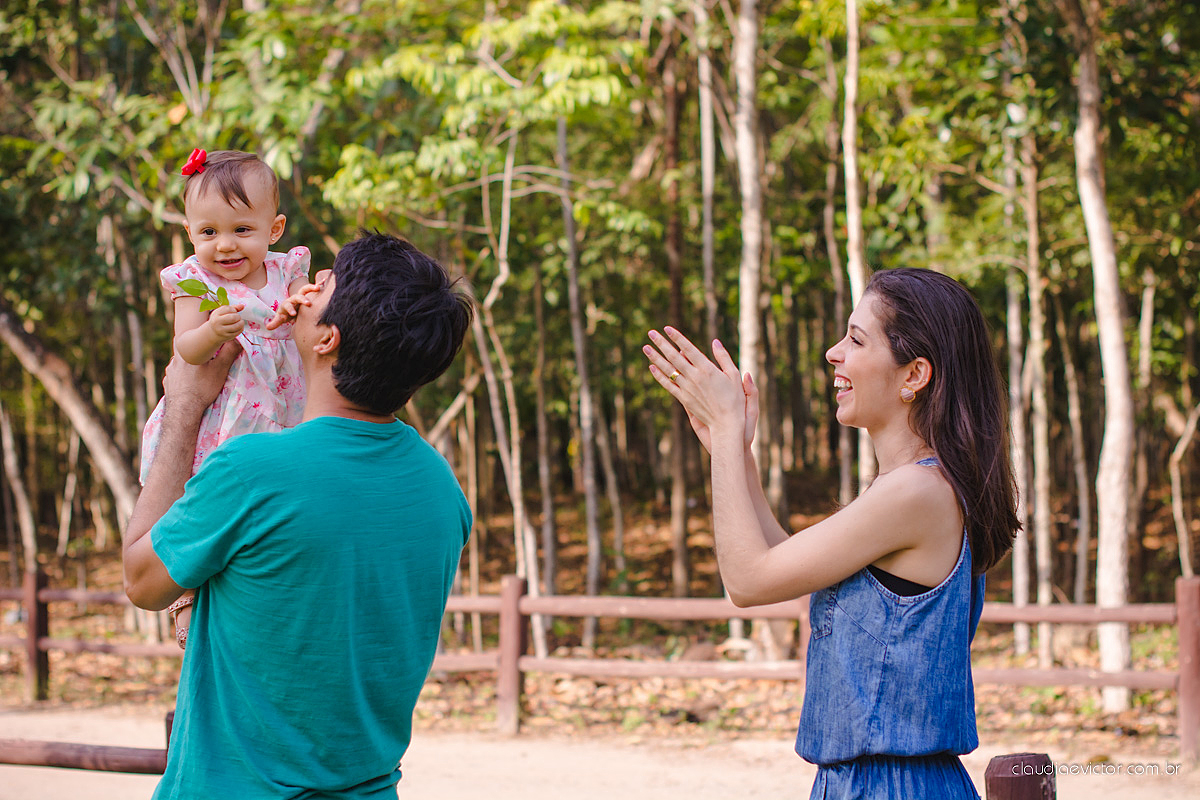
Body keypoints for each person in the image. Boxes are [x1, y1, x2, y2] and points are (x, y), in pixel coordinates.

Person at [123, 231, 475, 799]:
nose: (303, 291)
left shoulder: (252, 471)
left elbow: (142, 580)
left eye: (321, 285)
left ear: (327, 339)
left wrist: (185, 404)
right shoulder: (441, 489)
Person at [643, 267, 1018, 799]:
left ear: (914, 375)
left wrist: (728, 434)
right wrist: (734, 453)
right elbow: (778, 562)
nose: (833, 353)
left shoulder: (917, 493)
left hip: (893, 787)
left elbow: (746, 582)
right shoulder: (915, 490)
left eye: (856, 339)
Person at [139, 148, 315, 647]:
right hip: (221, 415)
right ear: (191, 233)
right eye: (209, 232)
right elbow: (185, 349)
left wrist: (300, 303)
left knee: (269, 506)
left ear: (274, 230)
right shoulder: (196, 281)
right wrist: (212, 330)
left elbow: (306, 310)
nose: (225, 246)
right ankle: (185, 599)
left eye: (242, 230)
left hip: (281, 408)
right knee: (200, 497)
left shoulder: (286, 270)